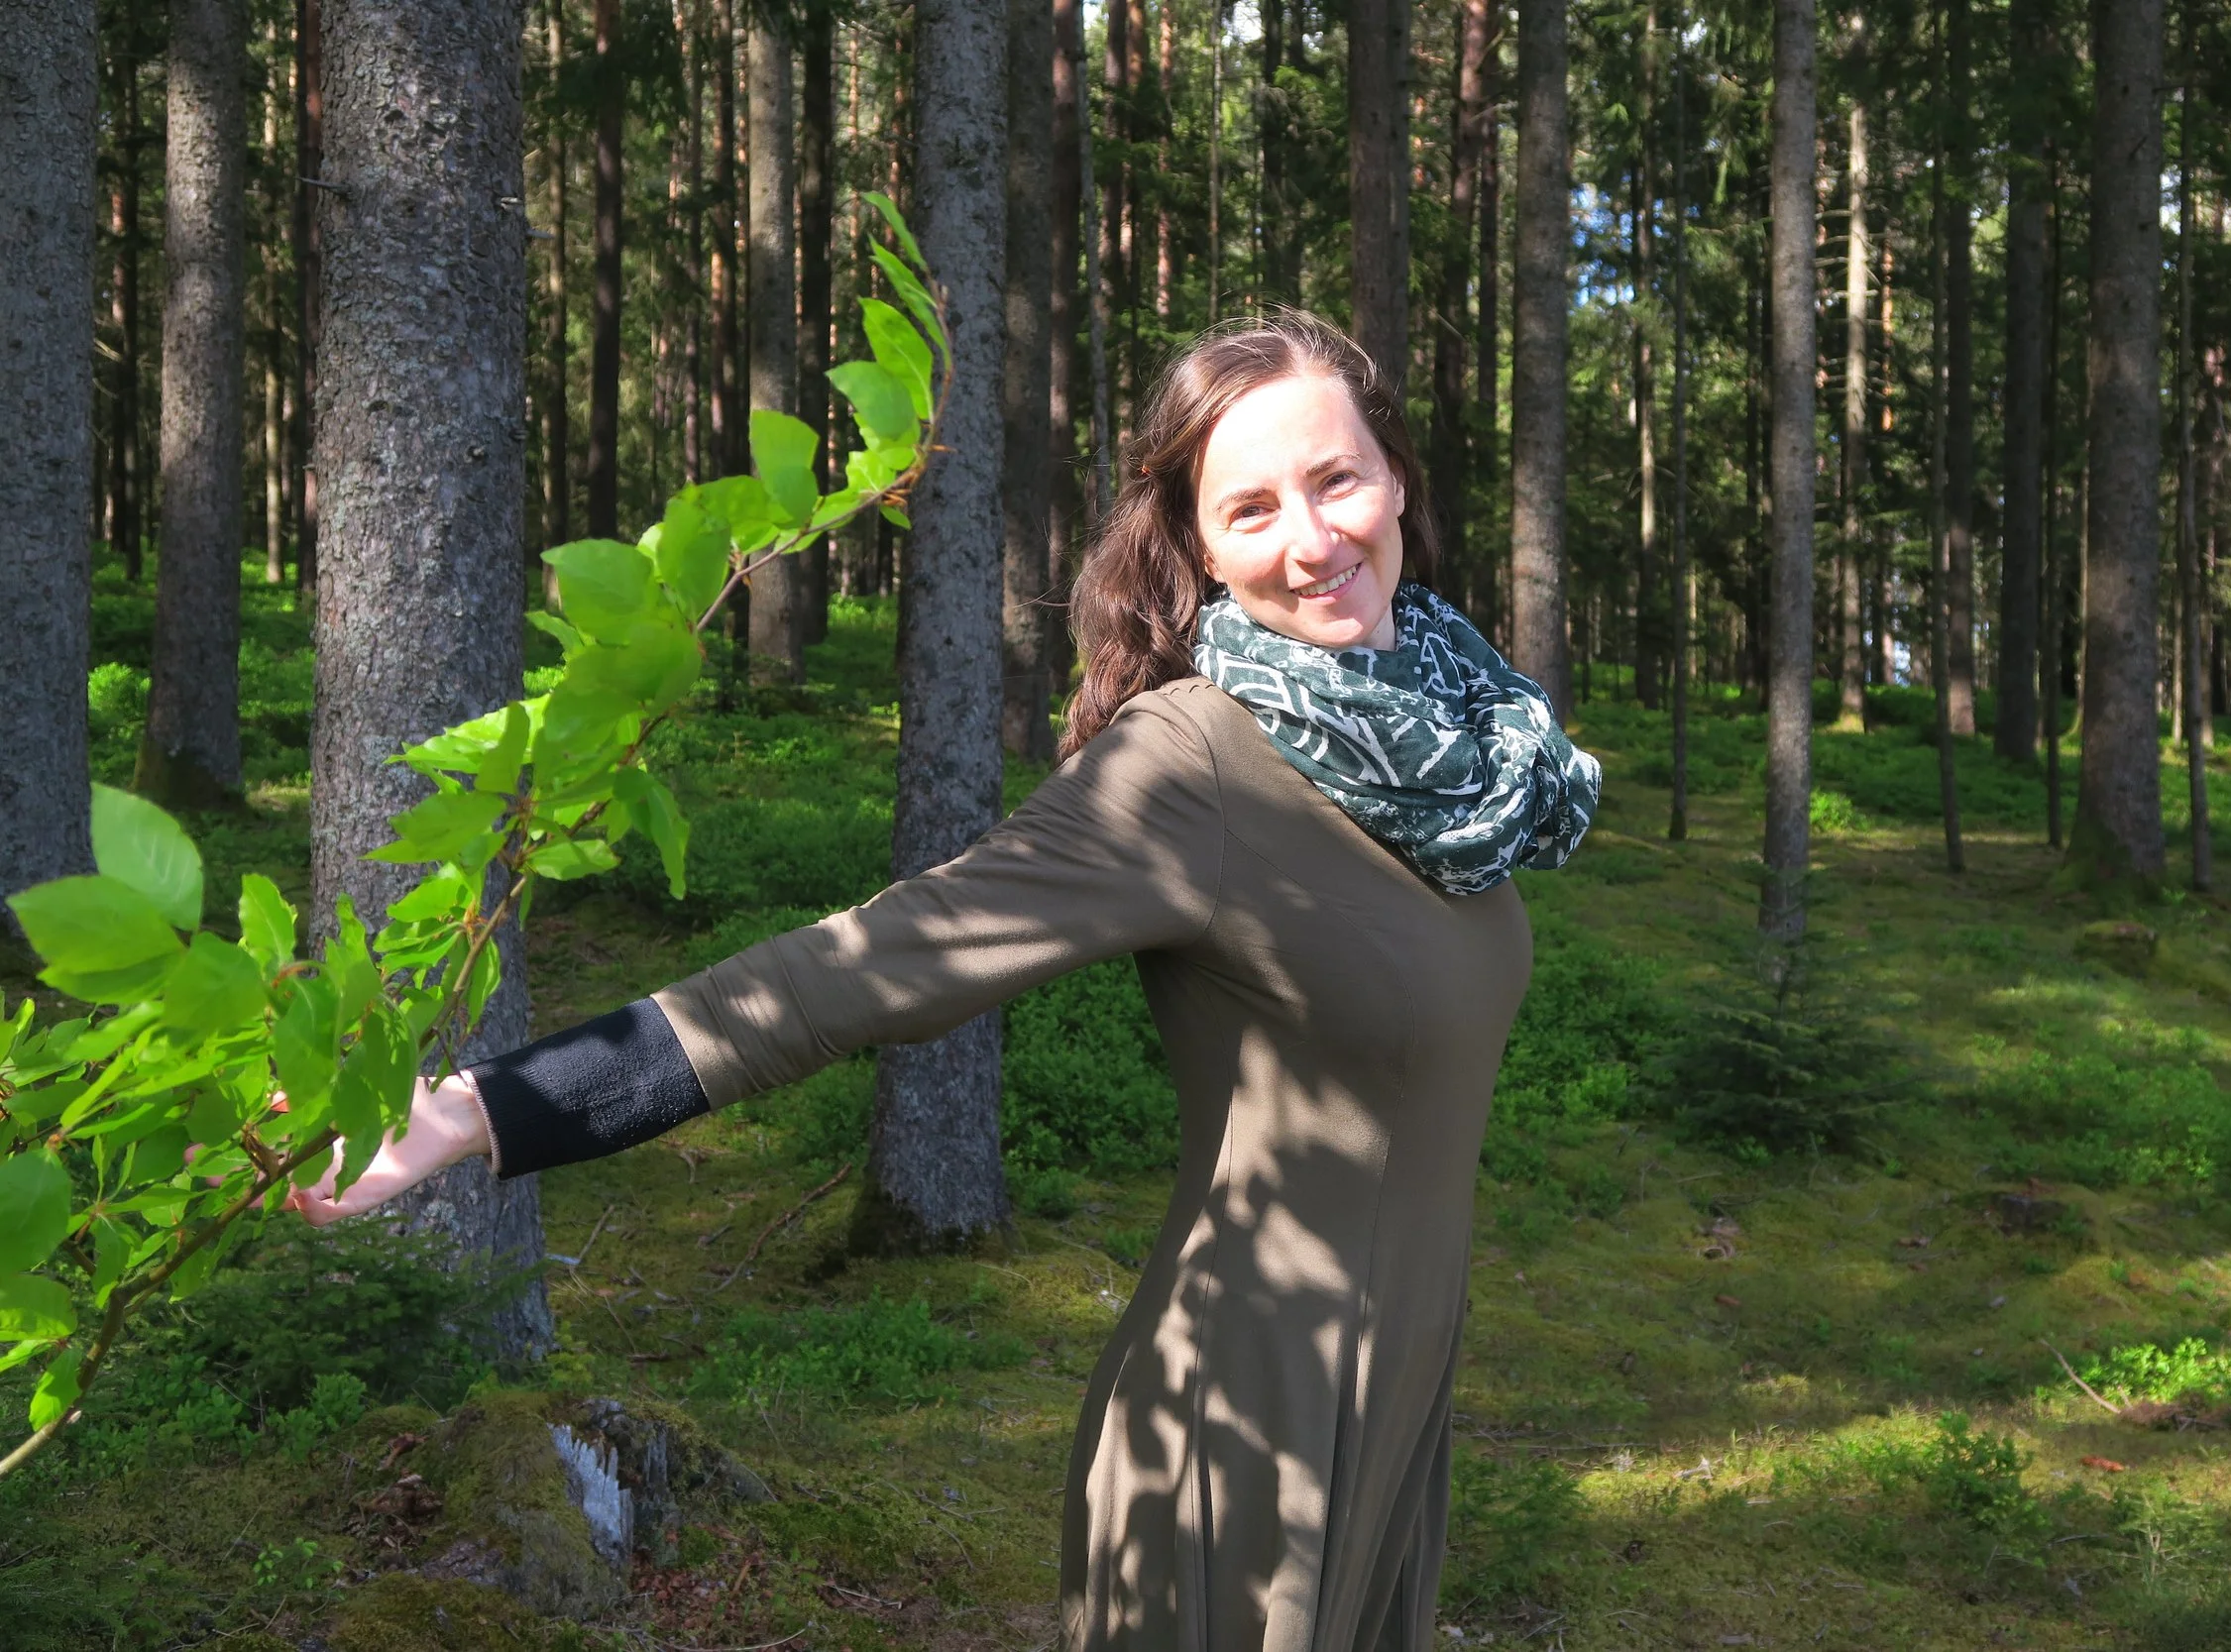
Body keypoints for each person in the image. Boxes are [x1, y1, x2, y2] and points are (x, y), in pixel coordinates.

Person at [294, 312, 1601, 1652]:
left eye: (1335, 481)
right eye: (1251, 506)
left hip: (1396, 1405)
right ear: (1202, 548)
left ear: (1395, 479)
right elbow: (867, 964)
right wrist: (485, 1109)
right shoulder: (1195, 762)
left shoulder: (1463, 743)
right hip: (1251, 1430)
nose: (1311, 539)